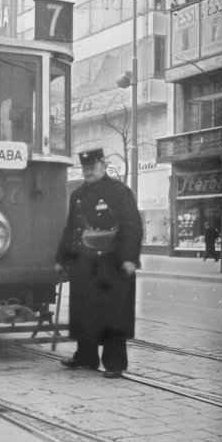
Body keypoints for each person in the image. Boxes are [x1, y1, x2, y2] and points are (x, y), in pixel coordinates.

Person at [55, 148, 143, 379]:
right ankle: (86, 356)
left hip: (113, 263)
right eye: (84, 168)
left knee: (113, 314)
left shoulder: (119, 191)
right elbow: (70, 228)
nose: (88, 172)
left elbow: (133, 226)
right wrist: (62, 259)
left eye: (92, 167)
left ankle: (114, 364)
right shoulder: (78, 194)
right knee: (84, 310)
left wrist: (130, 259)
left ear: (103, 165)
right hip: (84, 263)